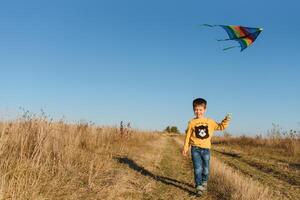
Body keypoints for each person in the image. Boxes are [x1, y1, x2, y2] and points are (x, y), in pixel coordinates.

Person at [182, 98, 231, 196]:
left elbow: (221, 127)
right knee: (197, 168)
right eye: (196, 109)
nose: (198, 112)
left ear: (205, 110)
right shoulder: (191, 122)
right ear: (193, 110)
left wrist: (226, 120)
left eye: (200, 110)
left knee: (206, 169)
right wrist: (185, 148)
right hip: (195, 149)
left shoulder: (210, 121)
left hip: (206, 149)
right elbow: (187, 136)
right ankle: (199, 186)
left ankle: (204, 181)